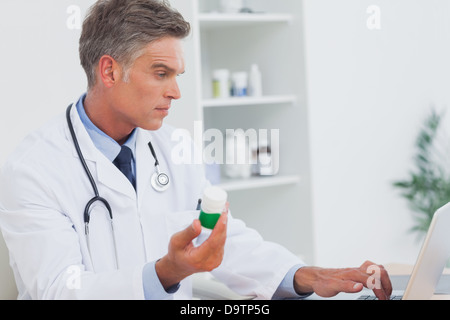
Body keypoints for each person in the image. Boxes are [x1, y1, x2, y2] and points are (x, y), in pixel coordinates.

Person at [0, 0, 392, 300]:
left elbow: (222, 240)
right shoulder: (35, 168)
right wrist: (164, 274)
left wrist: (302, 275)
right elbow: (57, 289)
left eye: (176, 75)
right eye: (160, 73)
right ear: (109, 71)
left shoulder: (175, 147)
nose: (175, 91)